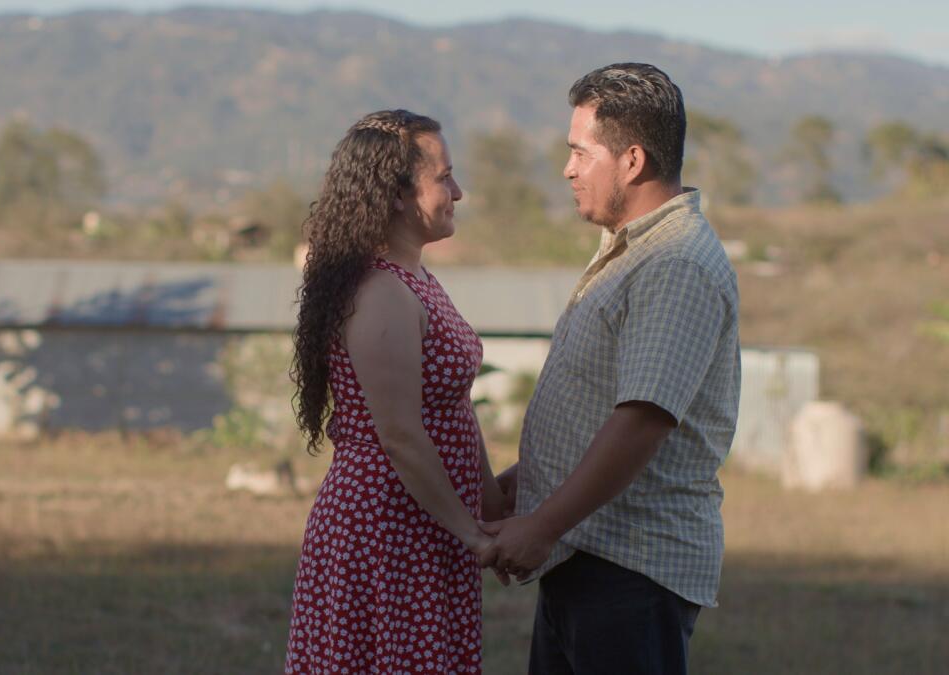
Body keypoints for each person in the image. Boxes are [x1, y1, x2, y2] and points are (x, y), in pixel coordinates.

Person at [479, 63, 742, 674]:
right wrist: (529, 480)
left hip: (631, 567)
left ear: (631, 160)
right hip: (591, 553)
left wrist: (542, 524)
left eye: (579, 153)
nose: (568, 170)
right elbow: (604, 404)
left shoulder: (676, 262)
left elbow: (642, 421)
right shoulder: (632, 251)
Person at [284, 109, 508, 673]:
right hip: (387, 529)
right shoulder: (382, 291)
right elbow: (401, 435)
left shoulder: (417, 280)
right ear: (399, 195)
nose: (459, 191)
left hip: (423, 524)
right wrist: (473, 536)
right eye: (444, 177)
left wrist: (489, 509)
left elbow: (452, 408)